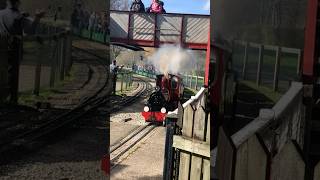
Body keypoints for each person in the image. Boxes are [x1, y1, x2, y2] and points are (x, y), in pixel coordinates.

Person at [0, 0, 45, 103]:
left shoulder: (0, 13)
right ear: (18, 3)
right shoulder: (19, 17)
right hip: (13, 49)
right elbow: (30, 31)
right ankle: (12, 99)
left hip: (1, 48)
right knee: (13, 75)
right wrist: (37, 18)